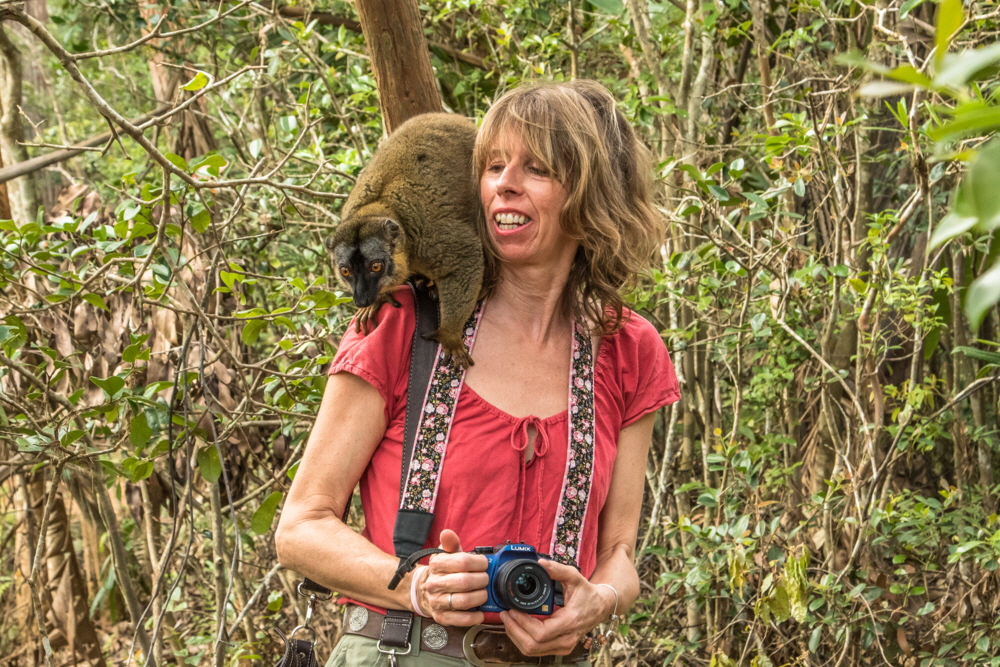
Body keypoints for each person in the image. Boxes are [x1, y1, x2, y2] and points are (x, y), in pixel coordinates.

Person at [275, 80, 680, 666]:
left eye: (535, 168)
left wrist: (599, 601)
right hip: (403, 653)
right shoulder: (403, 324)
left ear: (590, 198)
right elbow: (301, 528)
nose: (504, 184)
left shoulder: (629, 348)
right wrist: (415, 583)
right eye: (493, 165)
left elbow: (619, 553)